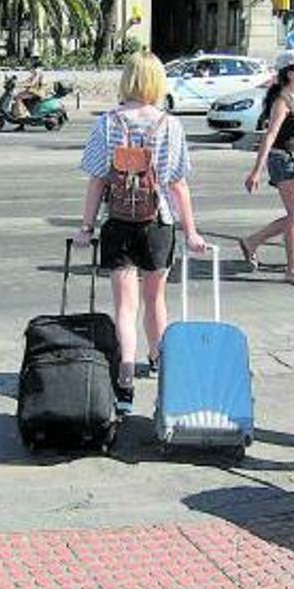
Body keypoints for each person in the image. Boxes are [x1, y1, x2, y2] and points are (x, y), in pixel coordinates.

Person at [73, 49, 208, 414]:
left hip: (118, 224)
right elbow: (178, 185)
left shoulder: (107, 123)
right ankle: (161, 368)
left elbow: (96, 181)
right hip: (157, 224)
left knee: (124, 307)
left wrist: (86, 228)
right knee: (156, 301)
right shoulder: (170, 125)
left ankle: (126, 384)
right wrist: (191, 232)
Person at [237, 49, 294, 288]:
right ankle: (292, 269)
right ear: (290, 72)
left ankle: (252, 241)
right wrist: (256, 171)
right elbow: (270, 135)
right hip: (284, 160)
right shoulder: (281, 101)